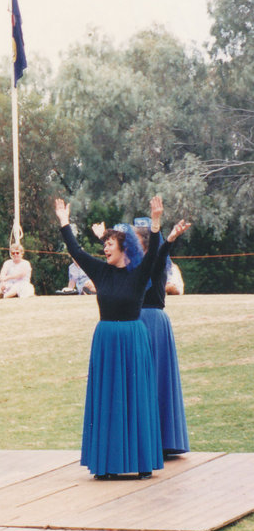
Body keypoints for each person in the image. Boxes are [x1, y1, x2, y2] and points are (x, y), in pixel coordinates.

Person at [55, 197, 164, 480]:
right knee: (107, 399)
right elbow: (76, 251)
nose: (104, 248)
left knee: (135, 397)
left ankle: (141, 462)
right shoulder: (100, 271)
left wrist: (155, 222)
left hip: (132, 338)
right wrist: (64, 222)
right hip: (105, 339)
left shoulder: (139, 273)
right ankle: (106, 463)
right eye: (104, 245)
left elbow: (154, 254)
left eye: (109, 244)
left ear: (124, 248)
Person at [134, 216, 193, 457]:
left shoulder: (157, 261)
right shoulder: (131, 265)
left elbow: (161, 251)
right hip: (135, 322)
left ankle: (163, 440)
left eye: (135, 241)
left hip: (154, 323)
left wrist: (169, 237)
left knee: (157, 378)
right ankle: (142, 438)